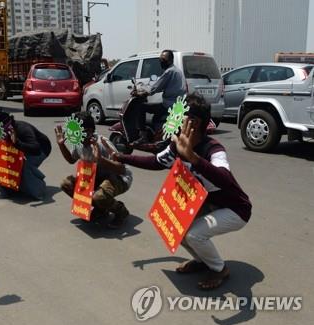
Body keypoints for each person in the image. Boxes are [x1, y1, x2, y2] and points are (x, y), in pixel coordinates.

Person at [113, 93, 252, 289]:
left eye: (178, 117)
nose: (172, 121)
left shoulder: (214, 148)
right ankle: (203, 261)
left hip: (236, 209)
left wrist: (193, 157)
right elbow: (156, 162)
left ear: (193, 122)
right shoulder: (176, 145)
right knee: (177, 228)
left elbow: (225, 178)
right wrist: (122, 157)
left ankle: (220, 270)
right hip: (210, 204)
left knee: (194, 235)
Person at [55, 112, 132, 228]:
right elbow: (71, 160)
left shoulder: (102, 143)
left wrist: (100, 160)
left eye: (79, 132)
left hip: (119, 178)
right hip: (95, 177)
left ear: (89, 131)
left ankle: (121, 211)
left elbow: (121, 169)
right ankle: (101, 209)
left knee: (99, 196)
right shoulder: (79, 143)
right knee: (66, 184)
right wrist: (61, 145)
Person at [0, 109, 51, 200]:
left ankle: (38, 190)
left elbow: (35, 149)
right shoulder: (0, 131)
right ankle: (9, 189)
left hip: (41, 149)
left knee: (23, 166)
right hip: (19, 147)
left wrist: (17, 143)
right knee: (2, 162)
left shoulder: (23, 128)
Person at [133, 49, 186, 145]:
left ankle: (143, 137)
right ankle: (157, 133)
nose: (161, 61)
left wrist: (141, 93)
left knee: (141, 107)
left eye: (163, 59)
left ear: (169, 60)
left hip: (169, 105)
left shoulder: (169, 72)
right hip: (178, 105)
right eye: (160, 59)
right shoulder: (178, 71)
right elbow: (164, 86)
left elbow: (155, 88)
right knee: (156, 116)